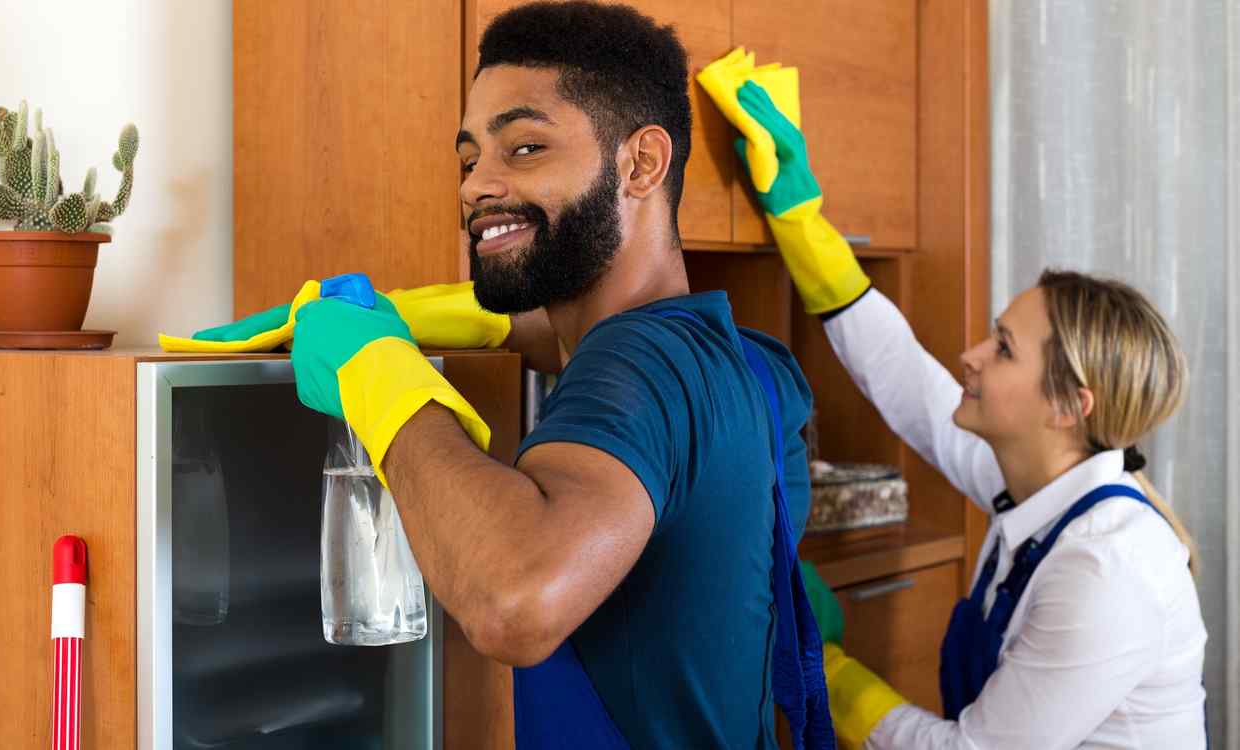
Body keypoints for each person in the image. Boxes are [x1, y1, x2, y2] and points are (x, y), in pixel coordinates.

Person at [188, 3, 837, 748]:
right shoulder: (756, 367)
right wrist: (449, 316)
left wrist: (378, 368)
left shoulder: (635, 366)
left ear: (641, 163)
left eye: (524, 148)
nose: (474, 187)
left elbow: (514, 600)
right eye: (470, 160)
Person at [699, 53, 1209, 748]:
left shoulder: (1108, 567)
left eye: (1003, 347)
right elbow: (905, 378)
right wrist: (801, 222)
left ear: (1069, 407)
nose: (970, 355)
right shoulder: (1034, 482)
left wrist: (827, 665)